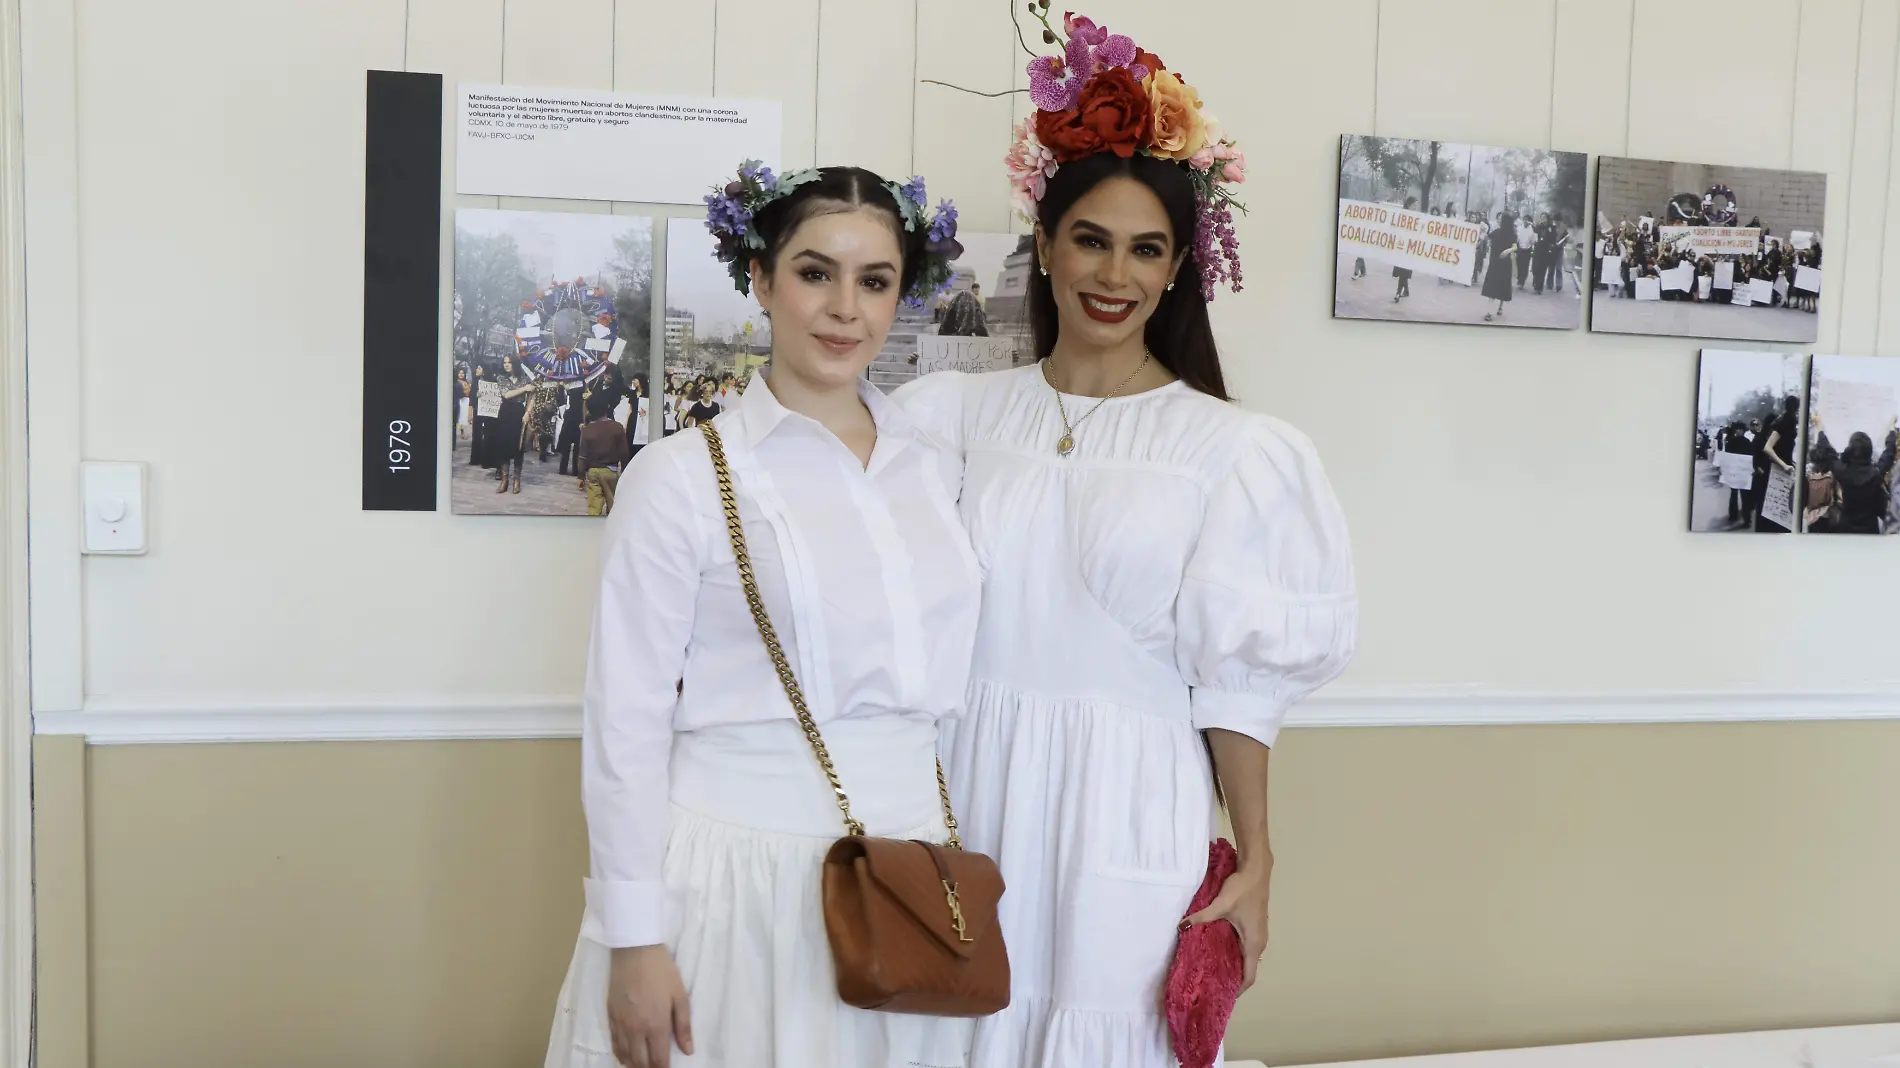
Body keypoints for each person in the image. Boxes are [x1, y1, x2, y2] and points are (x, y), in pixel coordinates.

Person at [898, 34, 1356, 1066]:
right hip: (961, 794)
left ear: (1179, 268)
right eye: (1090, 240)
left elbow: (1235, 689)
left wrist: (1258, 854)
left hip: (1129, 808)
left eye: (1146, 249)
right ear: (1045, 246)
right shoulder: (947, 419)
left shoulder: (1235, 452)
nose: (1114, 274)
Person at [543, 163, 978, 1068]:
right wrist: (633, 935)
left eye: (875, 280)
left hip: (910, 878)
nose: (844, 309)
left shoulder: (935, 467)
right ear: (761, 278)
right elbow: (624, 719)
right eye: (816, 272)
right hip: (736, 876)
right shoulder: (680, 478)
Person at [577, 390, 632, 516]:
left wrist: (580, 475)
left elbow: (582, 455)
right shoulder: (617, 428)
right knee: (613, 506)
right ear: (607, 408)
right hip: (611, 471)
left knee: (593, 507)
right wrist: (624, 469)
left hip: (592, 472)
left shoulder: (587, 430)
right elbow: (624, 452)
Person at [490, 355, 538, 494]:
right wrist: (524, 389)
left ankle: (516, 481)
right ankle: (504, 480)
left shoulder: (524, 378)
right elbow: (506, 394)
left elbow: (533, 395)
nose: (506, 365)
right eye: (504, 362)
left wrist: (528, 412)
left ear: (515, 364)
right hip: (505, 413)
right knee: (504, 446)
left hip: (519, 413)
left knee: (518, 447)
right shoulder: (501, 378)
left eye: (509, 362)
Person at [1754, 395, 1799, 532]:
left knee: (1779, 510)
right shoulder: (1783, 423)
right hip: (1776, 470)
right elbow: (1768, 447)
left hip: (1781, 469)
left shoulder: (1787, 421)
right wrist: (1783, 464)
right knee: (1773, 509)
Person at [1482, 211, 1518, 321]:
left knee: (1502, 288)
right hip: (1495, 263)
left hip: (1505, 264)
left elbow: (1516, 247)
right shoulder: (1496, 232)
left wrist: (1507, 251)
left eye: (1501, 218)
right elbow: (1487, 237)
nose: (1499, 220)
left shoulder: (1512, 235)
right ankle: (1489, 312)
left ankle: (1500, 307)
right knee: (1492, 290)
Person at [1392, 196, 1417, 302]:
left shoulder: (1417, 216)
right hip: (1401, 246)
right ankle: (1405, 290)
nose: (1416, 207)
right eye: (1414, 205)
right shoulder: (1402, 215)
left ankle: (1398, 292)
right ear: (1409, 204)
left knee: (1404, 271)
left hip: (1410, 247)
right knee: (1402, 271)